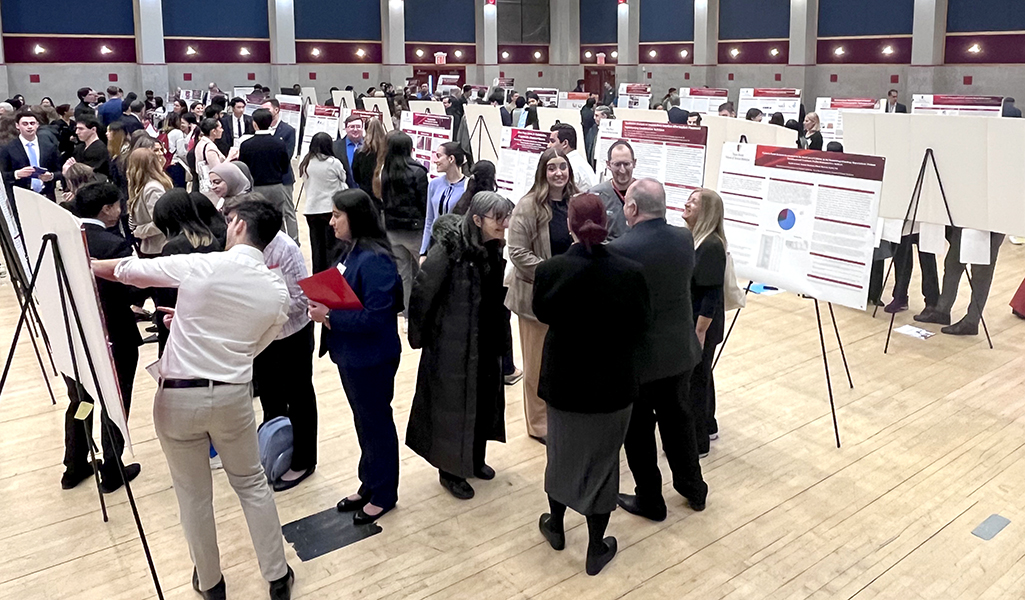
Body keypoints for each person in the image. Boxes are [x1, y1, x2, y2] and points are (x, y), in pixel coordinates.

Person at [93, 197, 295, 600]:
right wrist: (184, 321)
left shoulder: (204, 264)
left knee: (192, 494)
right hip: (232, 397)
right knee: (252, 484)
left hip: (177, 398)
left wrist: (84, 260)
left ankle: (210, 582)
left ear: (237, 225)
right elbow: (251, 346)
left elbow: (130, 271)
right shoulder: (277, 290)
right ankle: (276, 575)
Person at [533, 193, 649, 576]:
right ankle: (596, 547)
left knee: (560, 456)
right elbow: (641, 323)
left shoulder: (550, 271)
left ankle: (556, 526)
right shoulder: (631, 272)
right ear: (608, 222)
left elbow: (542, 312)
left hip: (564, 383)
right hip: (613, 386)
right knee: (603, 464)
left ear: (569, 225)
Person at [606, 179, 708, 522]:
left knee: (638, 433)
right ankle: (694, 489)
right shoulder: (684, 238)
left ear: (632, 208)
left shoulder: (620, 249)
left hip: (640, 360)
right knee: (679, 423)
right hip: (680, 353)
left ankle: (650, 499)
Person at [407, 191, 514, 500]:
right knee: (451, 408)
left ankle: (475, 458)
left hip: (484, 340)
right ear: (478, 220)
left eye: (506, 217)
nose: (504, 224)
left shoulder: (493, 247)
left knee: (481, 401)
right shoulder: (448, 251)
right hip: (451, 344)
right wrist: (420, 337)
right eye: (498, 219)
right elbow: (423, 292)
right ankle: (450, 470)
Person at [309, 189, 403, 525]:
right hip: (351, 353)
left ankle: (384, 492)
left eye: (337, 215)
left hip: (372, 357)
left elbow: (377, 317)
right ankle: (370, 481)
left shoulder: (375, 260)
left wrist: (329, 317)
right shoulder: (351, 250)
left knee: (376, 423)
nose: (331, 221)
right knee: (363, 421)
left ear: (356, 217)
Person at [223, 194, 317, 491]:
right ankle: (275, 450)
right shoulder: (236, 249)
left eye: (233, 221)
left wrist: (263, 308)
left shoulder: (285, 248)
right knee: (270, 397)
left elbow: (301, 299)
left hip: (291, 335)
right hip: (259, 337)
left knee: (299, 396)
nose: (229, 227)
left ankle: (303, 459)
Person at [60, 182, 143, 493]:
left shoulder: (59, 237)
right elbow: (133, 289)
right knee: (114, 401)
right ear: (107, 209)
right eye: (117, 205)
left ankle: (74, 466)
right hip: (114, 336)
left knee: (81, 401)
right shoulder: (113, 244)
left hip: (72, 336)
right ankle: (112, 468)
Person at [506, 147, 580, 443]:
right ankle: (538, 424)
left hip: (570, 297)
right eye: (552, 168)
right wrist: (554, 271)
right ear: (542, 173)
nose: (559, 173)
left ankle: (564, 413)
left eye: (563, 167)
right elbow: (517, 252)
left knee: (567, 360)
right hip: (536, 297)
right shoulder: (528, 206)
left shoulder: (576, 202)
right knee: (537, 364)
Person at [683, 188, 727, 455]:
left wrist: (699, 332)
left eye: (694, 201)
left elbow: (710, 295)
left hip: (702, 325)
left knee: (695, 383)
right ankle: (708, 426)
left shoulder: (710, 245)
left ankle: (697, 442)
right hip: (697, 323)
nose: (687, 203)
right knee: (702, 376)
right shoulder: (695, 240)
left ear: (707, 211)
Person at [151, 189, 223, 353]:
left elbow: (167, 290)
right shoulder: (210, 238)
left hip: (181, 315)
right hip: (209, 312)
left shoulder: (174, 247)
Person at [914, 228, 1004, 335]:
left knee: (980, 276)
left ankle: (971, 321)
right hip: (965, 224)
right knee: (952, 265)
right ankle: (942, 311)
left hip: (990, 229)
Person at [380, 130, 429, 322]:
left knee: (403, 274)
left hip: (392, 227)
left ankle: (408, 312)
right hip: (415, 229)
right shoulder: (418, 171)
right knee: (424, 271)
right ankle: (423, 311)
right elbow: (423, 201)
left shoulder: (386, 170)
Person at [239, 108, 296, 242]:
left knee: (256, 220)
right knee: (278, 219)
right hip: (276, 187)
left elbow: (243, 168)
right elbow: (285, 165)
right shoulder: (279, 143)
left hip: (256, 188)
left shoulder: (246, 145)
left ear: (254, 123)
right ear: (270, 123)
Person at [300, 132, 348, 273]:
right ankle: (330, 275)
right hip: (329, 210)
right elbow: (343, 178)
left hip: (311, 210)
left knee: (316, 247)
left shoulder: (306, 162)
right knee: (332, 248)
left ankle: (317, 276)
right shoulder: (334, 163)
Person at [0, 109, 60, 201]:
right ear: (17, 126)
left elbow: (59, 171)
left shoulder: (49, 146)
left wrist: (51, 176)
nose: (29, 127)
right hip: (20, 197)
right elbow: (2, 175)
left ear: (37, 125)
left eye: (32, 123)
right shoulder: (7, 148)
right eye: (25, 124)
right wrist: (16, 174)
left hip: (46, 196)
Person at [419, 142, 467, 258]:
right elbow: (429, 219)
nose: (435, 160)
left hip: (456, 248)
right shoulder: (434, 184)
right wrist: (423, 252)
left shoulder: (467, 186)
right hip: (435, 245)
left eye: (439, 156)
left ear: (451, 159)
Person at [126, 147, 173, 257]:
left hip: (159, 247)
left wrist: (139, 232)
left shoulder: (152, 189)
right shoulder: (143, 187)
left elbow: (161, 222)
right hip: (152, 247)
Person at [590, 140, 636, 240]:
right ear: (608, 164)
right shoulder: (596, 195)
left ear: (634, 163)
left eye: (627, 164)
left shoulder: (645, 193)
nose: (622, 170)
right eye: (617, 164)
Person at [260, 98, 298, 202]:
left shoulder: (288, 130)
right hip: (263, 180)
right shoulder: (259, 129)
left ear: (276, 110)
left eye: (267, 109)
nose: (263, 113)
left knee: (287, 209)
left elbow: (287, 155)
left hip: (283, 178)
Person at [549, 123, 597, 192]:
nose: (549, 145)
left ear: (565, 143)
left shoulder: (572, 166)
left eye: (552, 141)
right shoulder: (578, 161)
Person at [352, 117, 386, 210]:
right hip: (383, 197)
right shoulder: (387, 151)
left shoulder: (360, 152)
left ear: (365, 130)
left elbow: (356, 177)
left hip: (365, 195)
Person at [194, 117, 228, 194]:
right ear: (214, 131)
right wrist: (230, 157)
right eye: (220, 128)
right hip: (212, 187)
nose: (222, 130)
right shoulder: (209, 147)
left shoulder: (201, 143)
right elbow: (218, 170)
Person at [332, 114, 364, 189]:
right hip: (344, 193)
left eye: (358, 126)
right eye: (352, 127)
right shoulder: (335, 147)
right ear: (346, 129)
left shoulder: (370, 145)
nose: (355, 129)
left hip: (366, 195)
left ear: (362, 128)